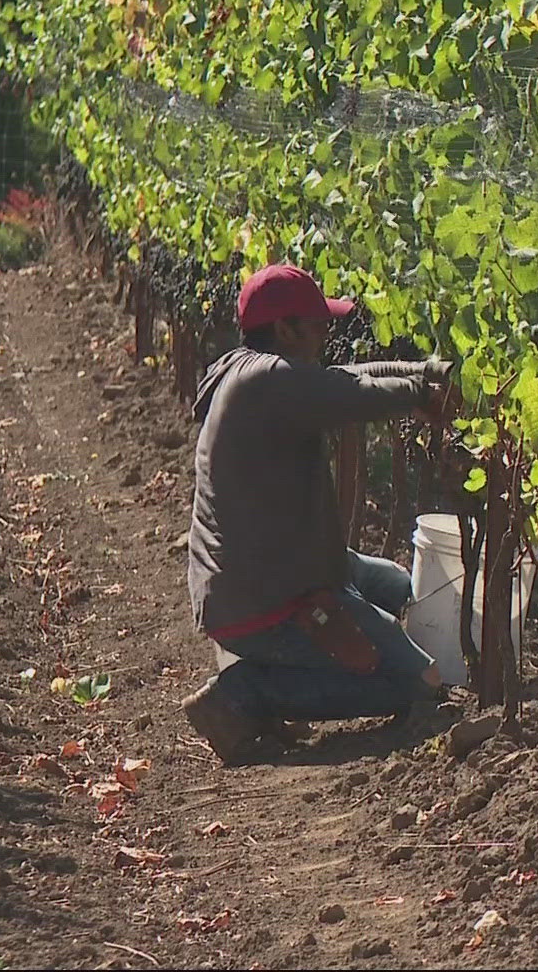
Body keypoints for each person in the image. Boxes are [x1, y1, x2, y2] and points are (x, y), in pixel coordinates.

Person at [179, 262, 452, 763]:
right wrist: (421, 395)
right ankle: (246, 693)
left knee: (394, 585)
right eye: (320, 325)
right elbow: (352, 393)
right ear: (285, 330)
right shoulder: (270, 382)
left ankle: (304, 662)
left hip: (273, 570)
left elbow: (344, 377)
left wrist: (427, 374)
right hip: (263, 601)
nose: (327, 334)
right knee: (415, 685)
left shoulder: (252, 371)